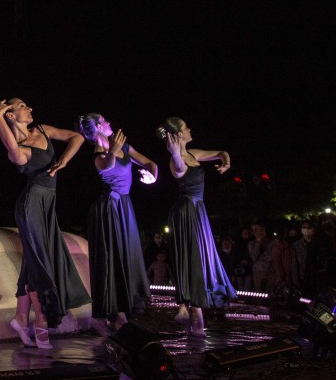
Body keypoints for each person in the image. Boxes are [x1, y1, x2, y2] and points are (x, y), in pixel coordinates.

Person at [0, 99, 90, 349]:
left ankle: (21, 318)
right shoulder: (20, 149)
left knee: (33, 262)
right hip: (31, 205)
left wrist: (65, 159)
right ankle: (42, 325)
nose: (31, 108)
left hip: (47, 205)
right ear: (11, 115)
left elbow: (77, 137)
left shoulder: (43, 130)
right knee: (40, 264)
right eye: (23, 106)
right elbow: (11, 148)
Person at [76, 114, 158, 337]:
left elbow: (150, 162)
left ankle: (119, 313)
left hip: (124, 207)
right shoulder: (99, 154)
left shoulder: (123, 147)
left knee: (126, 256)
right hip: (108, 210)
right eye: (105, 120)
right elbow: (106, 165)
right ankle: (106, 316)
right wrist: (112, 151)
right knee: (111, 259)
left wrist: (153, 175)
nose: (110, 122)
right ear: (98, 127)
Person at [158, 117, 235, 337]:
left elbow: (221, 152)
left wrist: (226, 162)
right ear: (179, 134)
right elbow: (180, 170)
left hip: (198, 211)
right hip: (185, 212)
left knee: (203, 257)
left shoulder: (193, 154)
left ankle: (188, 310)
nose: (190, 128)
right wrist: (174, 153)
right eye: (185, 127)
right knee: (192, 259)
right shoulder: (176, 160)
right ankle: (194, 316)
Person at [249, 222, 283, 292]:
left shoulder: (274, 242)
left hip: (271, 272)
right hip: (258, 272)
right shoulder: (251, 243)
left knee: (270, 293)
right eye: (253, 230)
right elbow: (254, 257)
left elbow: (274, 257)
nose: (255, 232)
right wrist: (258, 243)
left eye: (257, 229)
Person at [292, 220, 321, 297]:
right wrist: (296, 281)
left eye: (309, 227)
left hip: (316, 278)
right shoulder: (297, 245)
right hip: (303, 277)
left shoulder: (319, 243)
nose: (306, 229)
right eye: (304, 227)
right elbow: (295, 264)